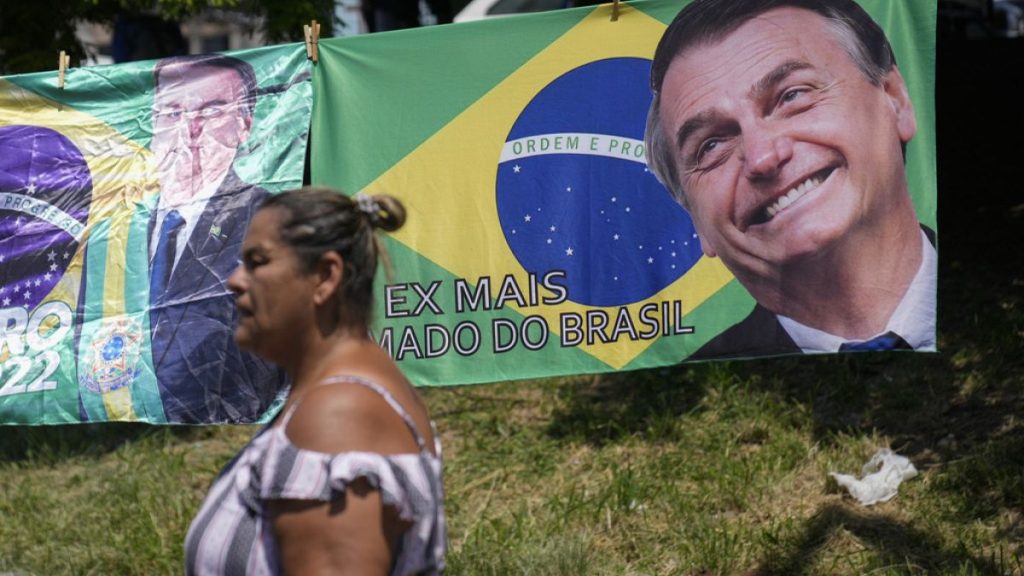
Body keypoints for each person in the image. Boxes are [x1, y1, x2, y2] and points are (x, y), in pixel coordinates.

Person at [644, 0, 936, 358]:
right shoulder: (695, 386)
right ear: (696, 222)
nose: (763, 157)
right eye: (711, 145)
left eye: (792, 95)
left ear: (895, 100)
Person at [185, 187, 447, 574]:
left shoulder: (339, 419)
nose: (234, 280)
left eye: (257, 262)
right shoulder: (334, 398)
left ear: (325, 276)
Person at [148, 53, 286, 422]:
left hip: (224, 425)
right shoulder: (116, 228)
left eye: (211, 111)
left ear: (245, 125)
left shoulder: (267, 219)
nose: (189, 129)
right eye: (172, 113)